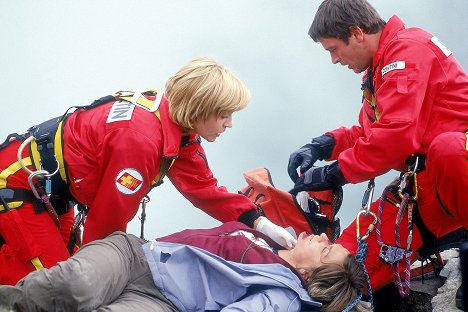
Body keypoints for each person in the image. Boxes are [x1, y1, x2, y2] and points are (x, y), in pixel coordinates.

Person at [0, 57, 296, 285]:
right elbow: (106, 225)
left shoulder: (175, 125)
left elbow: (204, 189)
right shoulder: (141, 139)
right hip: (19, 185)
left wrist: (259, 223)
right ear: (199, 108)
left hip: (48, 191)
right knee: (60, 284)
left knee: (72, 270)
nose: (229, 124)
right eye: (224, 114)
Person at [288, 0, 468, 296]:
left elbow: (395, 136)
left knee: (447, 149)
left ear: (357, 33)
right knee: (344, 263)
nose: (334, 59)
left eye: (333, 49)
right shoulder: (381, 69)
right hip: (430, 184)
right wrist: (324, 146)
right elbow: (371, 132)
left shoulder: (408, 52)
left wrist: (336, 172)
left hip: (456, 168)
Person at [0, 221, 370, 312]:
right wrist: (259, 222)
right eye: (329, 241)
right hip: (135, 256)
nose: (322, 238)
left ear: (307, 276)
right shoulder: (278, 237)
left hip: (165, 302)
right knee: (73, 285)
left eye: (325, 251)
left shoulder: (283, 295)